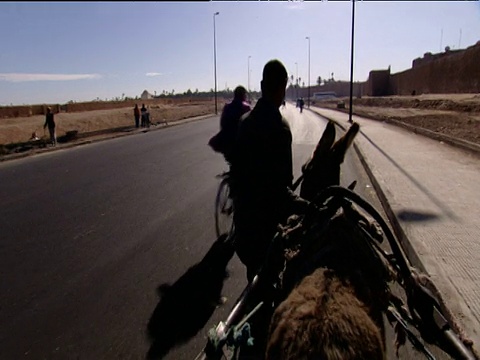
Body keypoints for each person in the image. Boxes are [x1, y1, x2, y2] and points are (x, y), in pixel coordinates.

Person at [229, 59, 309, 283]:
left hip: (243, 232)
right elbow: (282, 190)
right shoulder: (280, 128)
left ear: (262, 86)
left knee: (253, 280)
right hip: (265, 238)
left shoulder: (244, 122)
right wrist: (308, 208)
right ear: (283, 87)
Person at [208, 85, 251, 163]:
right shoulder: (246, 107)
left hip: (227, 141)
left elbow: (222, 123)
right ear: (244, 95)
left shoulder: (227, 106)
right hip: (240, 143)